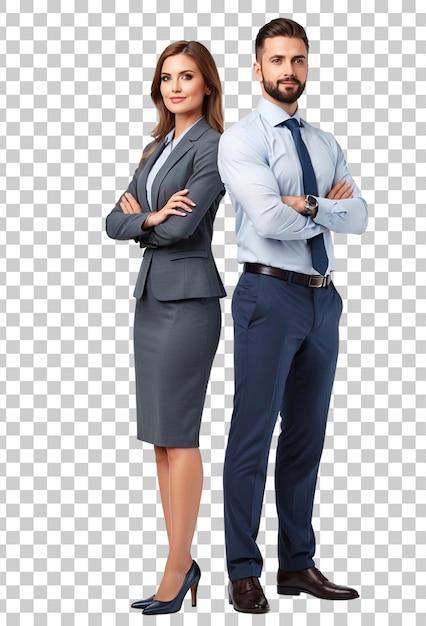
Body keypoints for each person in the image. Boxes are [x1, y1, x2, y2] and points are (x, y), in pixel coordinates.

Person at [218, 18, 368, 614]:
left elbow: (359, 217)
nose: (289, 71)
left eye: (298, 60)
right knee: (252, 436)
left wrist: (303, 205)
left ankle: (297, 564)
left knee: (306, 436)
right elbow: (266, 219)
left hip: (322, 298)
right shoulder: (242, 139)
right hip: (268, 294)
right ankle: (242, 569)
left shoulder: (325, 141)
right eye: (277, 61)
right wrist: (320, 207)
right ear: (258, 69)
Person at [106, 40, 225, 616]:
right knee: (160, 439)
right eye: (165, 78)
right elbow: (113, 220)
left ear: (207, 84)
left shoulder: (214, 147)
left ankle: (178, 569)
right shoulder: (157, 147)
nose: (173, 86)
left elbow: (183, 231)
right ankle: (182, 558)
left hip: (190, 301)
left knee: (181, 435)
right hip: (152, 300)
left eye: (186, 76)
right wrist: (149, 216)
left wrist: (143, 222)